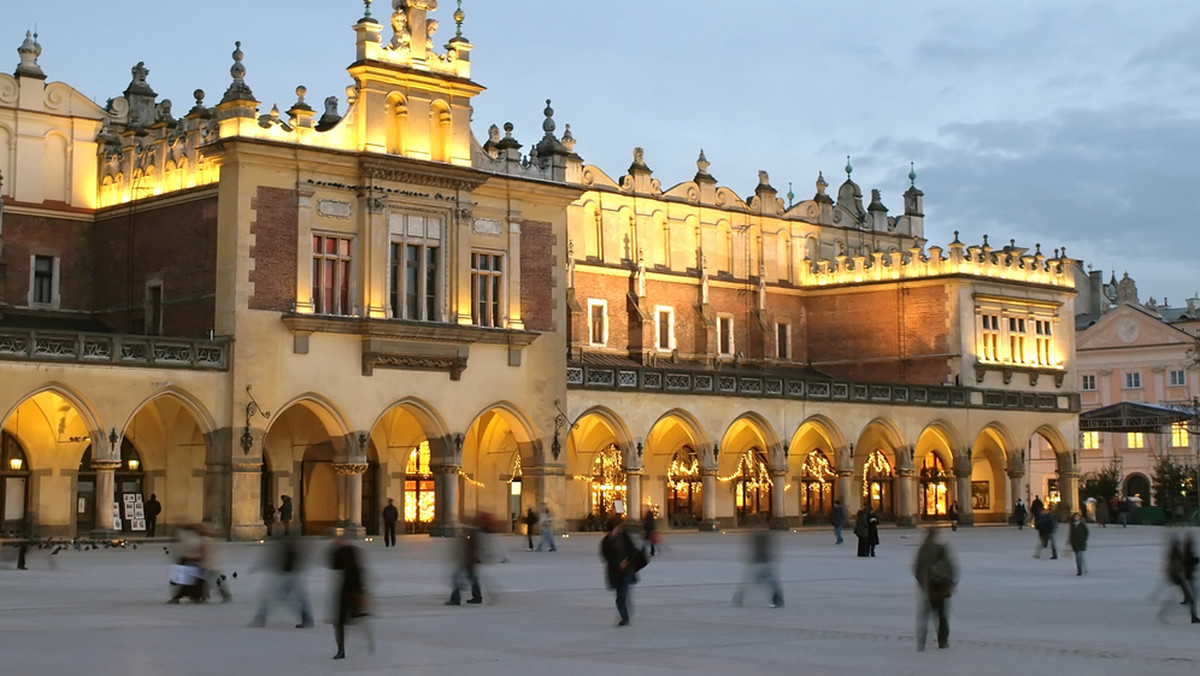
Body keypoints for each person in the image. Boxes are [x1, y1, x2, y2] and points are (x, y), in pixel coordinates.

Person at [250, 532, 313, 628]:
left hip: (287, 577)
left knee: (272, 597)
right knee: (297, 598)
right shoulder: (290, 547)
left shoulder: (288, 548)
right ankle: (306, 618)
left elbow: (285, 562)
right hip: (289, 576)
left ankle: (261, 618)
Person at [330, 531, 372, 659]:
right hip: (350, 591)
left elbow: (335, 565)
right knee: (342, 621)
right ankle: (342, 649)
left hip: (349, 592)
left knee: (342, 621)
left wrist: (361, 594)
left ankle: (342, 649)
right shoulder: (349, 551)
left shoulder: (347, 552)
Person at [913, 527, 956, 651]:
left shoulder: (922, 549)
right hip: (940, 586)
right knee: (941, 614)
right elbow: (949, 566)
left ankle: (922, 640)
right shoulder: (940, 548)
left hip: (928, 586)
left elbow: (917, 568)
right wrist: (950, 583)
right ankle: (942, 641)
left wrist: (922, 583)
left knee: (925, 614)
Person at [732, 527, 783, 608]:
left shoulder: (760, 537)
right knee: (771, 583)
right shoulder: (762, 536)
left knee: (754, 582)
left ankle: (739, 598)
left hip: (761, 564)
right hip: (763, 564)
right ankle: (778, 600)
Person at [600, 518, 638, 626]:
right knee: (619, 598)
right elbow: (606, 557)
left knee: (622, 595)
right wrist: (617, 564)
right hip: (615, 572)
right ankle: (625, 613)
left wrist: (626, 561)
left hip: (626, 571)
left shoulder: (624, 537)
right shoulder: (605, 542)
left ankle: (625, 617)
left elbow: (633, 551)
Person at [446, 523, 483, 605]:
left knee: (457, 578)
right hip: (468, 561)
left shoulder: (470, 537)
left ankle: (456, 599)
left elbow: (470, 550)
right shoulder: (471, 536)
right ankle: (477, 596)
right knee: (472, 578)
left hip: (467, 561)